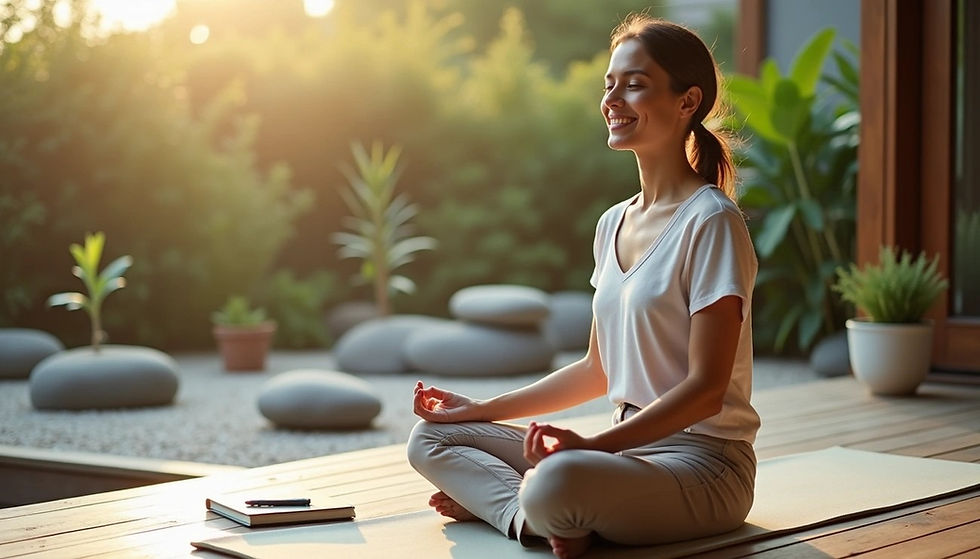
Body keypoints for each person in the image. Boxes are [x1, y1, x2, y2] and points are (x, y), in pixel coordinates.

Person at [407, 13, 760, 559]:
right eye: (609, 84)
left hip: (704, 466)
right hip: (623, 460)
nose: (613, 99)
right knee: (432, 438)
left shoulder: (711, 221)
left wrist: (592, 447)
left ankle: (528, 507)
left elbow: (707, 390)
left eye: (634, 84)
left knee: (559, 478)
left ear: (687, 102)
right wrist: (477, 409)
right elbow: (598, 370)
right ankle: (540, 519)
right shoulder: (612, 223)